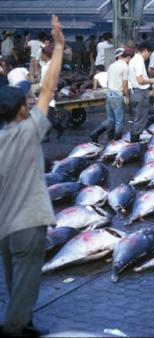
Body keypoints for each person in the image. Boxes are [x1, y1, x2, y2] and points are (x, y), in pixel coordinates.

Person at [0, 15, 64, 337]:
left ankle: (22, 325)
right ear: (21, 111)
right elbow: (49, 87)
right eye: (26, 102)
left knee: (16, 287)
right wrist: (60, 47)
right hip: (28, 226)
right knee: (24, 293)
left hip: (6, 230)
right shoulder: (28, 132)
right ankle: (13, 329)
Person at [90, 48, 133, 142]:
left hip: (109, 93)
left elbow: (108, 82)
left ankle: (95, 133)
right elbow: (125, 85)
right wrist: (127, 97)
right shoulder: (125, 67)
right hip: (118, 94)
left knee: (110, 119)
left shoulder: (111, 66)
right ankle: (116, 141)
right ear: (128, 57)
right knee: (119, 121)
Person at [129, 42, 154, 143]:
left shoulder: (133, 60)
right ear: (145, 51)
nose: (149, 56)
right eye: (149, 53)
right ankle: (135, 142)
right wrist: (151, 80)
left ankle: (134, 139)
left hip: (134, 92)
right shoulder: (139, 61)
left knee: (137, 118)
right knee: (140, 119)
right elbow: (140, 80)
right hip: (140, 92)